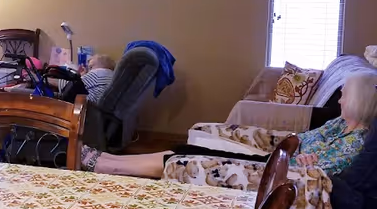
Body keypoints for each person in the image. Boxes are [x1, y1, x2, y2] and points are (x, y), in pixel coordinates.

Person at [81, 73, 377, 178]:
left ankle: (111, 166)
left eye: (344, 96)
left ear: (359, 102)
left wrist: (305, 155)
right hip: (278, 157)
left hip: (274, 168)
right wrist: (303, 151)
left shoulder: (354, 142)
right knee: (185, 147)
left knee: (185, 158)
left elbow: (314, 166)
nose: (339, 101)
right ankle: (110, 159)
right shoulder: (340, 125)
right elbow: (300, 139)